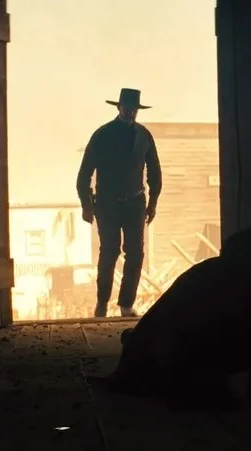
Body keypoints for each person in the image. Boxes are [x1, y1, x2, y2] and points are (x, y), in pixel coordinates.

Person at [76, 88, 162, 318]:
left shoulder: (144, 136)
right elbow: (84, 174)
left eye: (134, 109)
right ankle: (102, 303)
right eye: (127, 108)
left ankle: (126, 304)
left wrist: (152, 203)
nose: (130, 112)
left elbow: (155, 173)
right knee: (110, 251)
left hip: (135, 203)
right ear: (118, 107)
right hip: (107, 204)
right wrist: (86, 205)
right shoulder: (102, 135)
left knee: (135, 253)